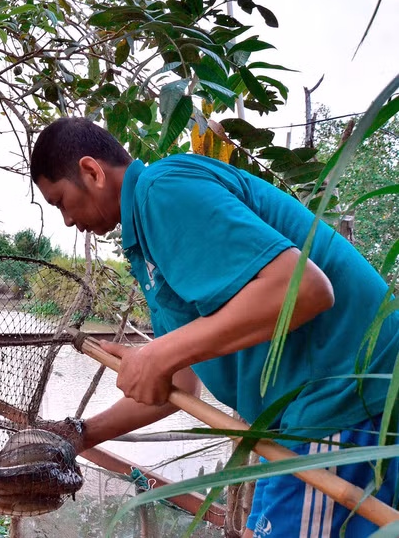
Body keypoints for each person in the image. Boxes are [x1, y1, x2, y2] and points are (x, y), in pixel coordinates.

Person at [30, 117, 399, 538]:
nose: (66, 220)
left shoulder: (162, 191)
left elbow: (304, 289)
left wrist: (159, 354)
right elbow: (180, 387)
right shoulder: (146, 240)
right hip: (309, 414)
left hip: (342, 399)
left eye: (60, 201)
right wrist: (78, 435)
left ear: (91, 172)